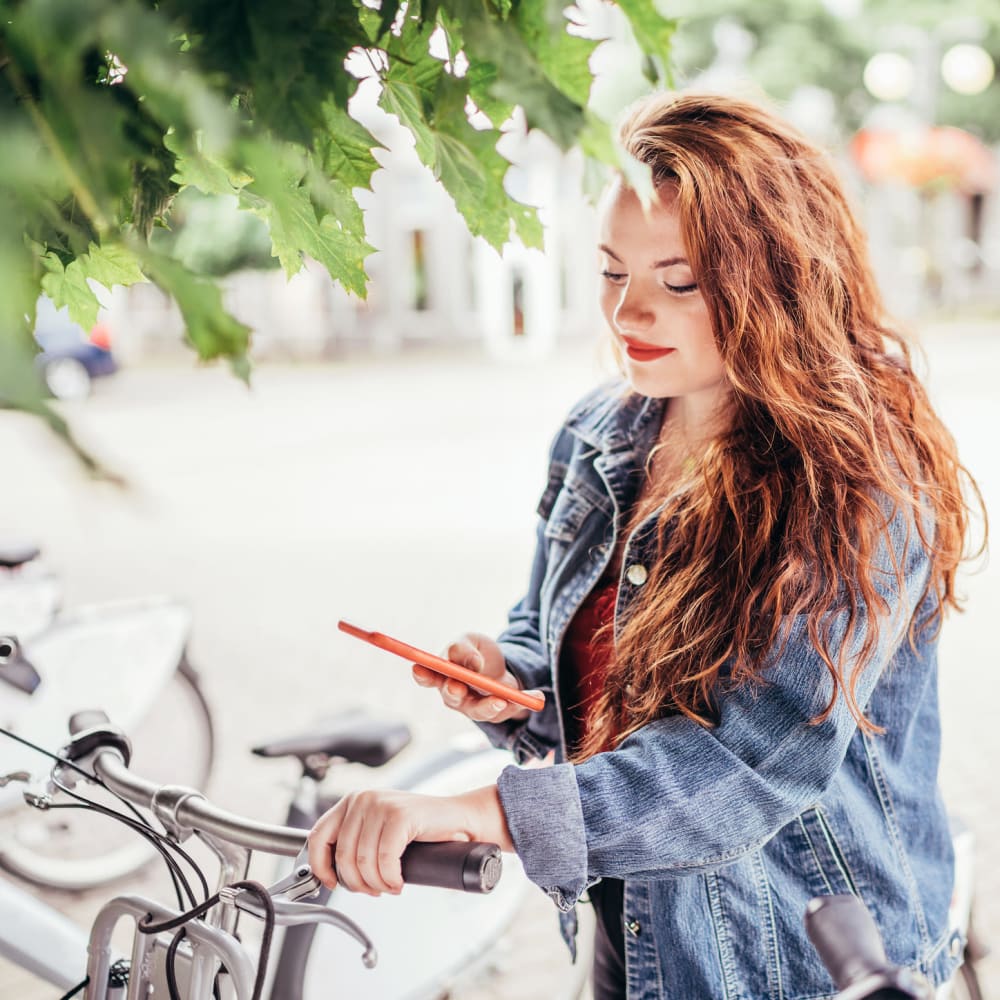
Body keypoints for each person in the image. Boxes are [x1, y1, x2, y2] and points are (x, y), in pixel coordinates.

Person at [308, 91, 983, 998]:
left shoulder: (858, 476)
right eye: (610, 271)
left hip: (805, 955)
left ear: (777, 278)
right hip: (643, 928)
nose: (630, 310)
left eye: (680, 280)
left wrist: (477, 811)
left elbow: (746, 764)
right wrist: (509, 682)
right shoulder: (600, 433)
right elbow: (567, 658)